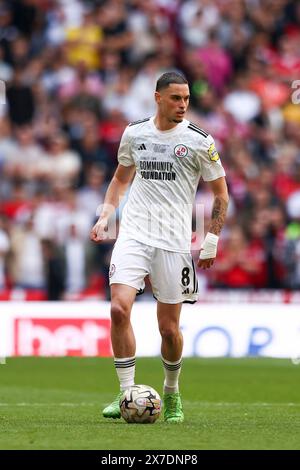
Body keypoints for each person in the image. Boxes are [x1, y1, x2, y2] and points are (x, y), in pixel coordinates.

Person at [90, 72, 229, 423]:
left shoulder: (199, 141)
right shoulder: (135, 133)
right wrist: (105, 216)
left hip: (173, 242)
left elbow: (220, 194)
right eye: (175, 98)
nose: (182, 105)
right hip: (134, 234)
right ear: (157, 97)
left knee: (169, 329)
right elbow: (120, 179)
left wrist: (211, 239)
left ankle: (172, 393)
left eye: (186, 99)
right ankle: (126, 392)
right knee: (119, 310)